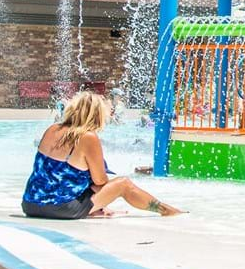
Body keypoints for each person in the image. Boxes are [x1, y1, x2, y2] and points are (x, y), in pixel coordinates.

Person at [22, 91, 184, 219]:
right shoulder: (87, 137)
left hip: (30, 204)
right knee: (123, 184)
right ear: (98, 115)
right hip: (61, 209)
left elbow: (53, 174)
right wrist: (101, 197)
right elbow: (100, 180)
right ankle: (167, 210)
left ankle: (95, 208)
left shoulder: (52, 129)